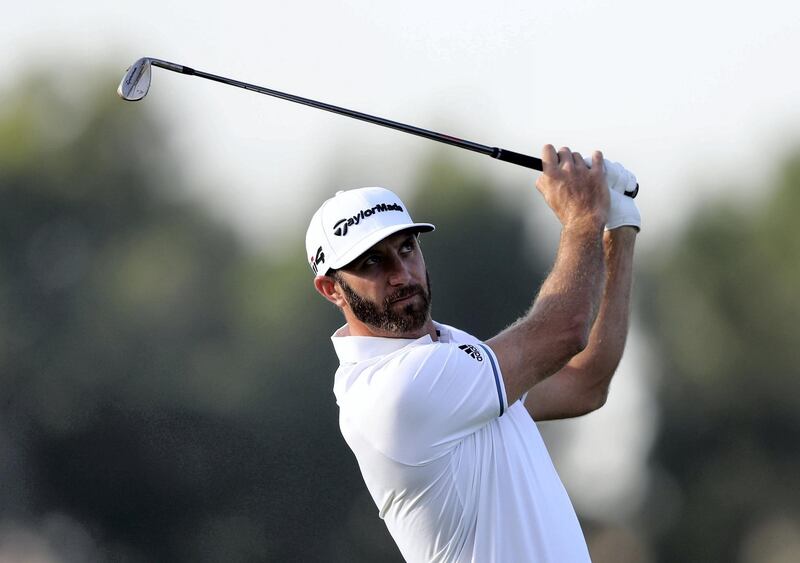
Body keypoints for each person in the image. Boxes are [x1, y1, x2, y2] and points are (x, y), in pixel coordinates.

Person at [305, 145, 640, 562]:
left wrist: (619, 227)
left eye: (406, 248)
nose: (400, 274)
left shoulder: (450, 351)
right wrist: (583, 215)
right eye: (372, 262)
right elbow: (565, 330)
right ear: (330, 288)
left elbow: (584, 384)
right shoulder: (395, 391)